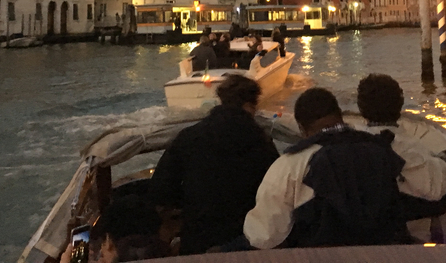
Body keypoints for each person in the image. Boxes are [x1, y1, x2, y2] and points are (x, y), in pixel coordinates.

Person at [243, 87, 408, 249]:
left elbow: (264, 237)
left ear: (301, 128)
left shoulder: (290, 166)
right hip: (384, 252)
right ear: (340, 116)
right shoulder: (384, 149)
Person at [150, 76, 279, 254]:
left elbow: (161, 189)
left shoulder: (189, 137)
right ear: (250, 105)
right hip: (245, 239)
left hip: (198, 237)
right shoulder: (262, 142)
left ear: (222, 100)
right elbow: (275, 192)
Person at [356, 74, 446, 224]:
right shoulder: (411, 149)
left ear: (361, 108)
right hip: (407, 232)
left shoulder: (350, 149)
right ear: (400, 104)